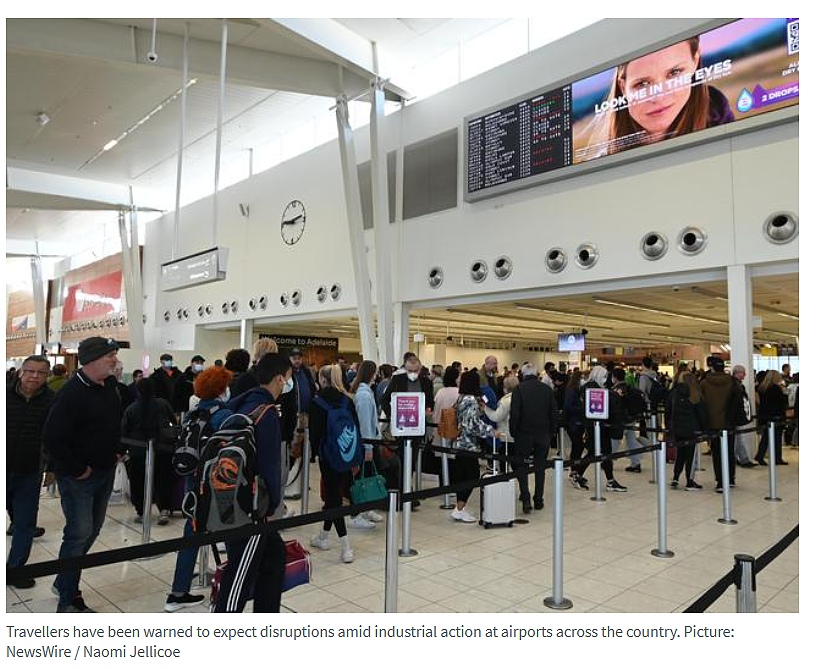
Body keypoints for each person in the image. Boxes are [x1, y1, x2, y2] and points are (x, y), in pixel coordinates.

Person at [43, 336, 123, 612]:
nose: (114, 360)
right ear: (90, 360)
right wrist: (78, 468)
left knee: (92, 530)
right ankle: (68, 599)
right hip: (79, 478)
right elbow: (52, 437)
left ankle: (63, 579)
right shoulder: (71, 392)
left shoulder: (109, 387)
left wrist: (117, 450)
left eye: (114, 355)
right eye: (108, 356)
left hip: (105, 471)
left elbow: (112, 423)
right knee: (78, 534)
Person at [214, 353, 291, 613]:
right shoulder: (266, 413)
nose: (287, 384)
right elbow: (270, 466)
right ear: (280, 378)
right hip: (250, 507)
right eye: (288, 378)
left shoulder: (238, 404)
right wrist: (272, 508)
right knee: (239, 574)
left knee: (274, 556)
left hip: (229, 493)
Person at [580, 36, 734, 160]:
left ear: (695, 62)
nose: (659, 96)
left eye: (674, 73)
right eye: (642, 84)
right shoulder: (603, 164)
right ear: (623, 87)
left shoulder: (716, 110)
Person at [165, 366, 233, 612]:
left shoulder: (192, 413)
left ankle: (177, 592)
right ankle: (233, 589)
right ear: (222, 389)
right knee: (232, 534)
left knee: (190, 536)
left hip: (193, 483)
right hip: (218, 484)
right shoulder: (223, 414)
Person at [7, 355, 55, 588]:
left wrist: (52, 468)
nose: (35, 376)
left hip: (29, 471)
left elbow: (57, 437)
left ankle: (15, 570)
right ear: (20, 372)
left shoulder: (52, 401)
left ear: (47, 376)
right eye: (30, 371)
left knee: (25, 523)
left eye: (41, 373)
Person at [309, 365, 359, 561]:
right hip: (347, 453)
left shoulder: (317, 403)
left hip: (328, 456)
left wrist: (314, 454)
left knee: (334, 499)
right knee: (334, 495)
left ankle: (346, 546)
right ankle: (323, 536)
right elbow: (356, 428)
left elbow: (315, 435)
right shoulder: (347, 400)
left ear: (322, 379)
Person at [121, 378, 178, 526]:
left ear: (138, 391)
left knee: (138, 481)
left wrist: (122, 451)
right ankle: (164, 510)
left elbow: (124, 431)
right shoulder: (162, 404)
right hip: (163, 449)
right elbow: (174, 421)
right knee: (163, 479)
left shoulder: (131, 408)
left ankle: (141, 511)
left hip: (138, 451)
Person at [450, 369, 501, 523]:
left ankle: (459, 508)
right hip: (468, 445)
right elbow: (473, 425)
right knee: (471, 476)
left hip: (459, 443)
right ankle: (459, 509)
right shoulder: (470, 400)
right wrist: (491, 431)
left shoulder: (461, 398)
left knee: (462, 475)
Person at [509, 364, 557, 513]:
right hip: (543, 434)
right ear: (537, 374)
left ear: (522, 375)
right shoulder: (547, 389)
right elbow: (553, 412)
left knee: (522, 466)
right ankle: (539, 500)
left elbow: (515, 413)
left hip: (524, 434)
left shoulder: (519, 389)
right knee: (540, 467)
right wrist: (552, 432)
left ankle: (526, 498)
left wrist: (513, 431)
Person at [571, 366, 628, 492]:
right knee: (596, 452)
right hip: (595, 426)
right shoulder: (591, 387)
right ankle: (578, 475)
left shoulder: (591, 386)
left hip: (599, 425)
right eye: (603, 376)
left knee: (601, 452)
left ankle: (609, 480)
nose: (605, 379)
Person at [350, 360, 387, 522]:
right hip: (367, 443)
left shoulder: (365, 392)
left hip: (370, 441)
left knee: (368, 477)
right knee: (364, 478)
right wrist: (368, 448)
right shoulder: (364, 395)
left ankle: (367, 509)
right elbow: (365, 423)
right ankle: (359, 513)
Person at [700, 357, 738, 491]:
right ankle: (731, 478)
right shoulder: (732, 382)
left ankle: (721, 482)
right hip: (729, 423)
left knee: (717, 454)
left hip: (713, 424)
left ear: (712, 368)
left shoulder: (704, 383)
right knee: (729, 451)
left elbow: (701, 402)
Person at [667, 371, 704, 490]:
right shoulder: (695, 394)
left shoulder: (674, 393)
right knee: (690, 456)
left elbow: (668, 410)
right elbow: (701, 414)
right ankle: (689, 480)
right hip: (692, 430)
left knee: (680, 454)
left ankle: (675, 478)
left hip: (677, 429)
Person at [612, 368, 649, 473]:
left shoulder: (617, 389)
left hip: (621, 420)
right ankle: (636, 463)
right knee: (631, 440)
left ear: (614, 377)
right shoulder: (629, 387)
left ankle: (607, 461)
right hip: (631, 419)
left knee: (615, 441)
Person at [483, 374, 518, 474]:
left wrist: (486, 408)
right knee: (517, 464)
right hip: (517, 436)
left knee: (504, 464)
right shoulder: (521, 398)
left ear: (505, 387)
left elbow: (496, 417)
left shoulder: (506, 401)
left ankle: (504, 483)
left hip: (505, 436)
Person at [755, 370, 788, 466]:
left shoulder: (762, 388)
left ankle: (760, 455)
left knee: (765, 438)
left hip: (765, 416)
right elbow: (781, 403)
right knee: (777, 438)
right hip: (776, 416)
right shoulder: (776, 389)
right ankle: (777, 458)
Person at [731, 365, 757, 468]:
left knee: (738, 438)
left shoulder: (735, 385)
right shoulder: (736, 386)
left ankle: (742, 458)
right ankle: (743, 459)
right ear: (738, 373)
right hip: (736, 417)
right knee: (738, 438)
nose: (745, 375)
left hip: (735, 417)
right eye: (743, 373)